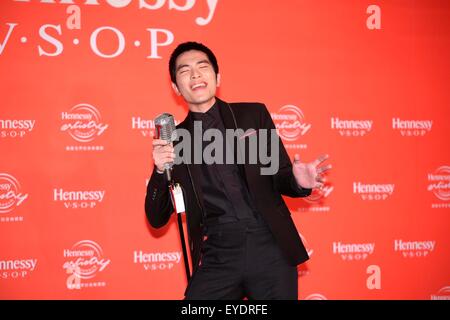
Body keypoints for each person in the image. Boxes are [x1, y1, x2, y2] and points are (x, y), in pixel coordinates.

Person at [145, 41, 331, 300]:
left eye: (202, 66)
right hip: (218, 252)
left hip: (269, 244)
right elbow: (156, 218)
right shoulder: (174, 140)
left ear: (217, 77)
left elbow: (281, 176)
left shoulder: (251, 116)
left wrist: (299, 181)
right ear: (176, 87)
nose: (195, 75)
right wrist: (157, 171)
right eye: (184, 71)